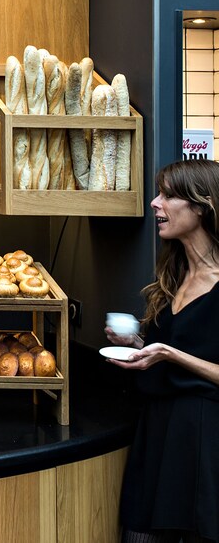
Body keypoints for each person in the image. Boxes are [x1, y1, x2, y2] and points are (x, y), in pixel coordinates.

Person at [105, 158, 219, 543]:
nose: (155, 203)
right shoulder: (174, 273)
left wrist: (170, 355)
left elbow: (180, 355)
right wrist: (137, 345)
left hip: (202, 442)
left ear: (201, 206)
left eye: (168, 195)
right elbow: (169, 346)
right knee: (137, 534)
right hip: (156, 431)